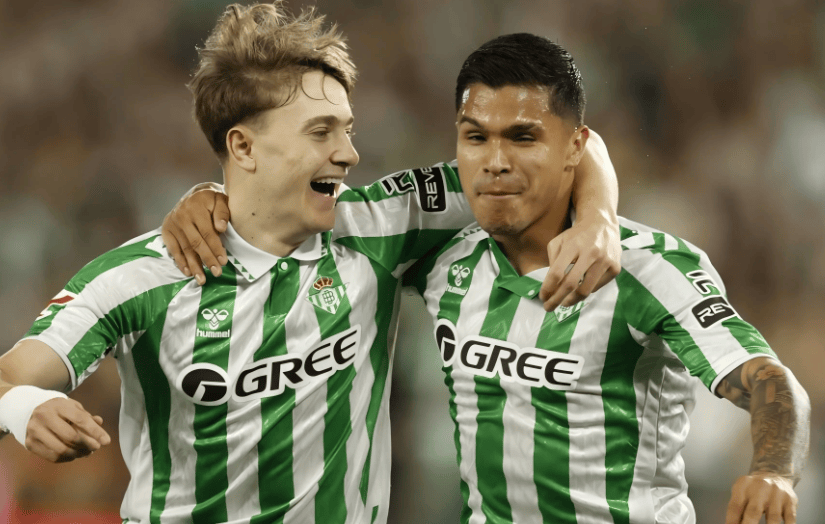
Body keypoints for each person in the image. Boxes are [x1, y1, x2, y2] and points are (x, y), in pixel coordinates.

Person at [0, 3, 621, 524]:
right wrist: (23, 408)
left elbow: (561, 149)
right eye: (321, 132)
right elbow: (7, 378)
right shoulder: (139, 278)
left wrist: (598, 219)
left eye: (347, 129)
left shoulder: (379, 227)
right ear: (243, 146)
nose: (350, 154)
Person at [168, 33, 812, 524]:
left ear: (573, 146)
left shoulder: (649, 268)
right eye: (475, 137)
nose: (496, 161)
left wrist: (773, 470)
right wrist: (213, 197)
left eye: (523, 137)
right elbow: (288, 206)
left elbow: (770, 380)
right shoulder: (439, 254)